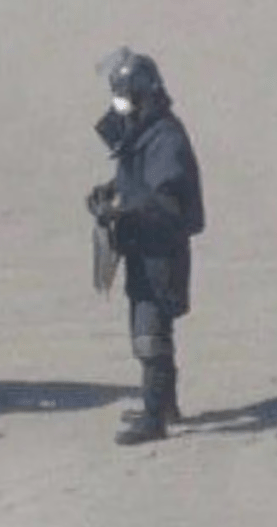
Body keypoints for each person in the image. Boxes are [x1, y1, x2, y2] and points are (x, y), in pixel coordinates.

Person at [87, 48, 205, 445]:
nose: (117, 101)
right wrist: (108, 192)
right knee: (148, 327)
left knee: (150, 333)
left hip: (161, 253)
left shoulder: (165, 138)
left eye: (122, 93)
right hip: (143, 247)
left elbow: (167, 200)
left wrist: (123, 210)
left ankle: (155, 418)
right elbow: (134, 178)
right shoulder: (143, 130)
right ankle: (164, 405)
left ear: (142, 94)